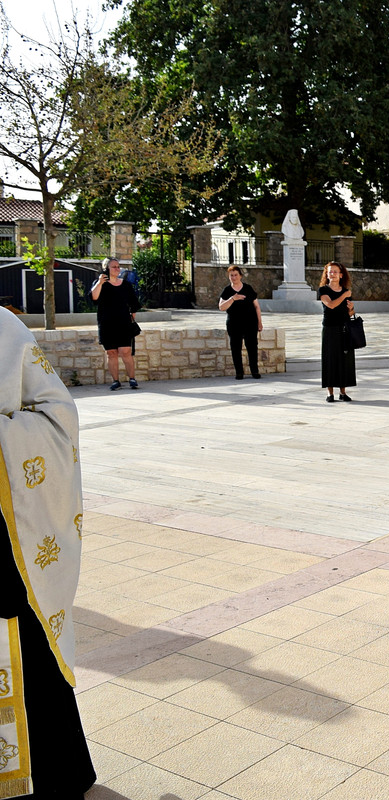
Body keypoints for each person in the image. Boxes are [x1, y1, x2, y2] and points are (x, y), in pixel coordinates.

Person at [0, 307, 96, 797]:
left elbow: (59, 418)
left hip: (6, 532)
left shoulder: (3, 327)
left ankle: (47, 773)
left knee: (23, 645)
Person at [91, 257, 141, 390]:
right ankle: (116, 381)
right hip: (106, 323)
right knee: (111, 353)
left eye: (118, 266)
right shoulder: (100, 283)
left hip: (123, 323)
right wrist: (100, 283)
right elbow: (94, 297)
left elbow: (134, 303)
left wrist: (131, 316)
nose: (117, 269)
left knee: (126, 351)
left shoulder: (125, 285)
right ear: (106, 268)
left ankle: (132, 379)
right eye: (114, 267)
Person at [318, 261, 356, 402]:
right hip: (329, 329)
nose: (332, 274)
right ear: (326, 275)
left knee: (344, 360)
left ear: (341, 275)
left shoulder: (346, 291)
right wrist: (345, 295)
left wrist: (351, 308)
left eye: (335, 271)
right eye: (330, 271)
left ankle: (343, 392)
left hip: (344, 329)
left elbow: (350, 313)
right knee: (330, 359)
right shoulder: (323, 290)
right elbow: (331, 305)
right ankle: (330, 393)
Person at [217, 265, 263, 380]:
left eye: (235, 275)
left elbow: (257, 306)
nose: (233, 277)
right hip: (234, 324)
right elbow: (221, 307)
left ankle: (255, 371)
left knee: (252, 347)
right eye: (231, 275)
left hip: (250, 323)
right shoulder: (227, 290)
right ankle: (239, 372)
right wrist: (233, 298)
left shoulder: (248, 288)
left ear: (240, 276)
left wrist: (259, 322)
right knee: (235, 348)